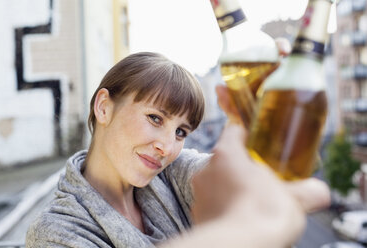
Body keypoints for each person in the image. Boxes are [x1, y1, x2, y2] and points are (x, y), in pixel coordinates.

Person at [26, 51, 330, 248]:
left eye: (181, 132)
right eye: (155, 118)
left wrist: (261, 118)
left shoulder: (172, 174)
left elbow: (235, 177)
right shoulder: (54, 232)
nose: (167, 147)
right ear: (104, 107)